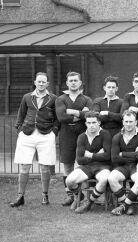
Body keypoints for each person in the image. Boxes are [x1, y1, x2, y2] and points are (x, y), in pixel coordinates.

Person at [10, 72, 59, 207]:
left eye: (44, 82)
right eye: (39, 82)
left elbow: (57, 118)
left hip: (46, 134)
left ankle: (45, 195)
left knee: (44, 167)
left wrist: (54, 132)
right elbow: (21, 114)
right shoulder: (27, 97)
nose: (41, 84)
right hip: (27, 134)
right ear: (35, 82)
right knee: (24, 166)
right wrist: (19, 129)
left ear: (47, 84)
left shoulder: (53, 98)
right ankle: (20, 197)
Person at [56, 71, 92, 207]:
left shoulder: (87, 99)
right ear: (67, 83)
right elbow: (61, 117)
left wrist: (70, 112)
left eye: (75, 80)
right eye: (70, 80)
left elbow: (88, 115)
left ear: (80, 82)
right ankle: (71, 195)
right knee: (68, 165)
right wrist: (79, 114)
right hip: (66, 134)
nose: (73, 82)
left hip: (83, 134)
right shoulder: (61, 99)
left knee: (84, 164)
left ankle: (86, 196)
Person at [65, 111, 112, 214]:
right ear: (85, 123)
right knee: (69, 181)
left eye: (94, 122)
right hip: (86, 167)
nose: (91, 125)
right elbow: (79, 159)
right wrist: (97, 155)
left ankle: (89, 202)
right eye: (89, 123)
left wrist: (89, 154)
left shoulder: (105, 134)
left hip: (103, 166)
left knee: (104, 179)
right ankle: (79, 196)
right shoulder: (82, 137)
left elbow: (107, 156)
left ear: (99, 122)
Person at [109, 110, 138, 216]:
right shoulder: (117, 137)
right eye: (126, 121)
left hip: (137, 166)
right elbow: (114, 158)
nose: (128, 124)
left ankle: (123, 207)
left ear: (136, 122)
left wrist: (122, 154)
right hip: (122, 167)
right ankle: (128, 205)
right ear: (122, 122)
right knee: (111, 178)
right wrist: (134, 154)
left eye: (131, 121)